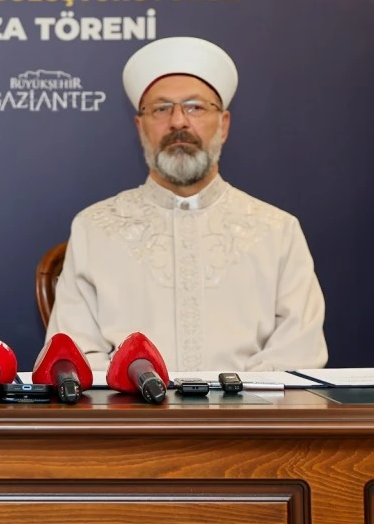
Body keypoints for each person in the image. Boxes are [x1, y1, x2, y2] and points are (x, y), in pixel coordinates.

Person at [44, 36, 327, 372]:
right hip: (128, 406)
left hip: (250, 407)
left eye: (195, 107)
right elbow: (74, 354)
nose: (178, 121)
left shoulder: (278, 231)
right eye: (161, 109)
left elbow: (299, 352)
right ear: (140, 127)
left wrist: (234, 401)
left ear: (223, 125)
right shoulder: (93, 229)